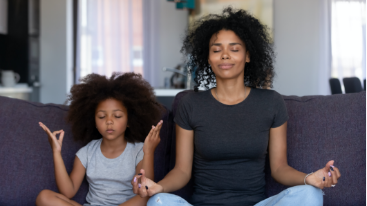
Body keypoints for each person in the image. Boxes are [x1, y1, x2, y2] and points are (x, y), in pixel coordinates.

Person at [132, 7, 341, 206]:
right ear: (208, 58)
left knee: (310, 194)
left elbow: (279, 168)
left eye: (234, 49)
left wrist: (309, 179)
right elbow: (182, 171)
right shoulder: (191, 104)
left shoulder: (271, 103)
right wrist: (158, 188)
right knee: (159, 202)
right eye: (216, 50)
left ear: (248, 55)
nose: (225, 55)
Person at [35, 72, 163, 206]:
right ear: (94, 122)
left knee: (145, 197)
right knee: (44, 197)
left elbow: (145, 190)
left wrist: (148, 152)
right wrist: (56, 152)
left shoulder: (138, 150)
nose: (109, 121)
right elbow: (68, 192)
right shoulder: (86, 153)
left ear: (129, 121)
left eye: (117, 116)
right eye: (102, 117)